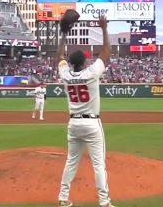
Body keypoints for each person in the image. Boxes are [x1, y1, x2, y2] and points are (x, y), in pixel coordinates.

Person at [56, 15, 115, 207]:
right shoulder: (91, 73)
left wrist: (64, 34)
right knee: (98, 164)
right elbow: (107, 53)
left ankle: (63, 198)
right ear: (84, 62)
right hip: (91, 123)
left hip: (73, 124)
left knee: (71, 161)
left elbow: (59, 57)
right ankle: (104, 202)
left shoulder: (65, 73)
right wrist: (104, 29)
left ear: (72, 63)